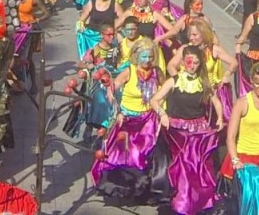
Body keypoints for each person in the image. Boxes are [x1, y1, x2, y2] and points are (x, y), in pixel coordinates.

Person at [91, 39, 168, 202]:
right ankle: (124, 188)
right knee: (125, 154)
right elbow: (112, 89)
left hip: (148, 120)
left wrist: (162, 110)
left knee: (146, 153)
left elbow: (166, 89)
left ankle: (146, 190)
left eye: (150, 57)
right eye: (144, 57)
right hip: (128, 120)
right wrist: (117, 110)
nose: (148, 60)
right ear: (136, 56)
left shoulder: (157, 72)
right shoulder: (129, 71)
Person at [150, 46, 224, 215]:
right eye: (189, 62)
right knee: (183, 164)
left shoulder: (203, 83)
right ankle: (180, 201)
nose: (192, 65)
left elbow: (217, 103)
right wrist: (162, 114)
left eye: (196, 63)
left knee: (197, 168)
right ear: (183, 62)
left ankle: (196, 201)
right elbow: (155, 100)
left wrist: (220, 118)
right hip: (177, 132)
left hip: (198, 132)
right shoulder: (174, 80)